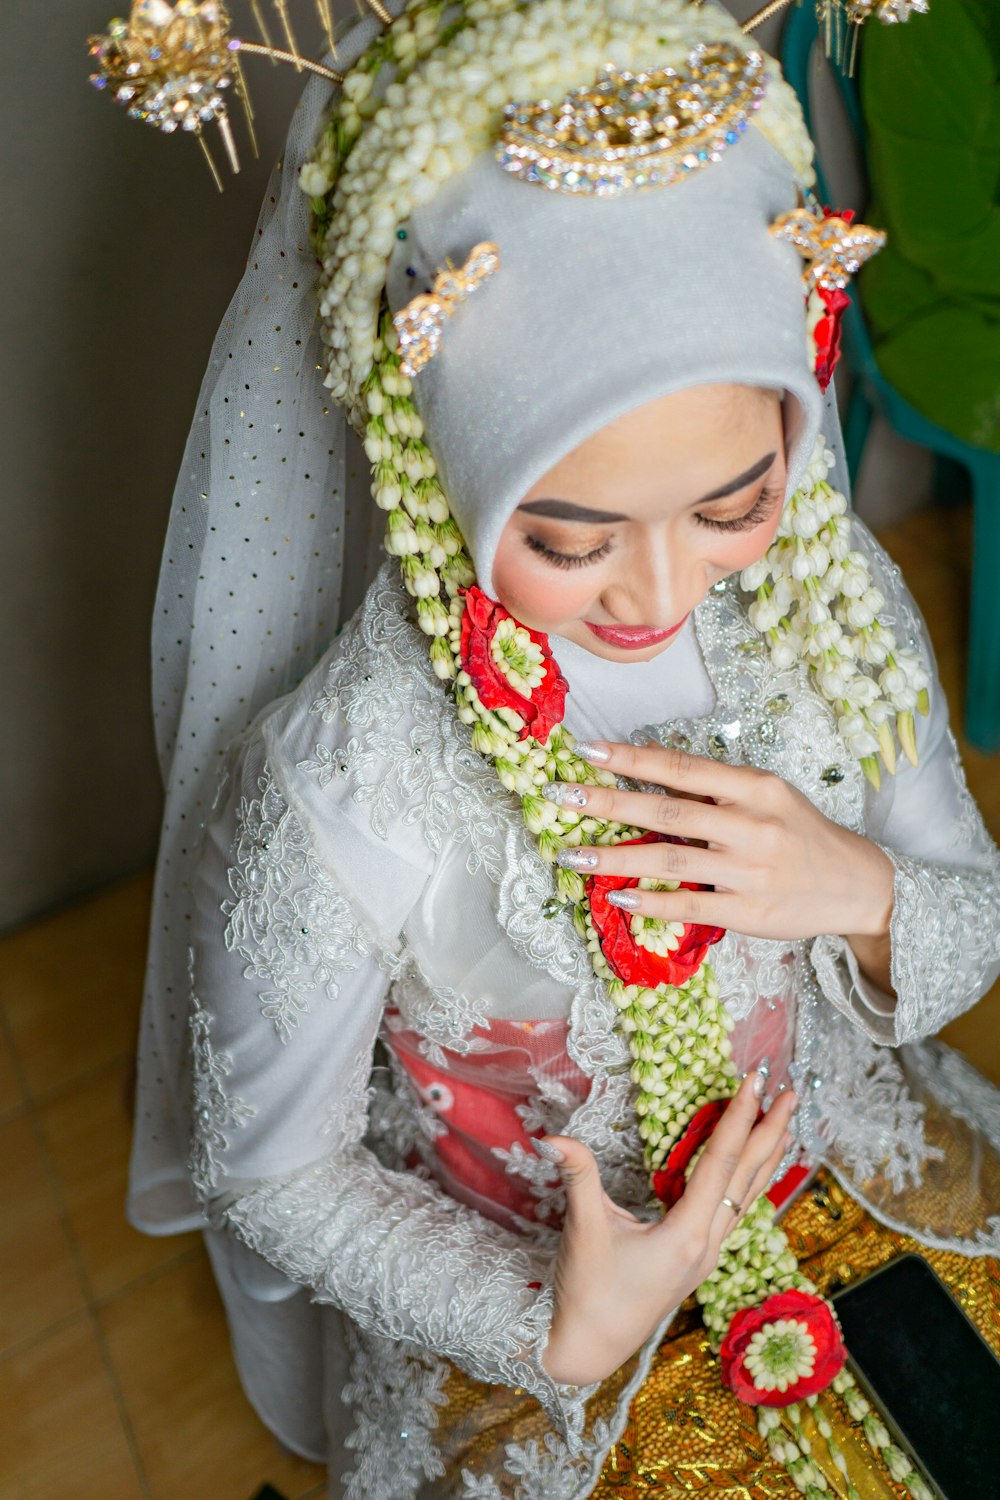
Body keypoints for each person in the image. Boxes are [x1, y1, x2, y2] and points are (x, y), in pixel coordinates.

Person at [125, 1, 1000, 1495]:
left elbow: (964, 912)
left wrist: (858, 888)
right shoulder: (352, 779)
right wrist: (551, 1317)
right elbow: (271, 1171)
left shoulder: (827, 612)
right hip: (533, 1278)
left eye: (734, 503)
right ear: (443, 463)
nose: (661, 597)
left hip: (836, 1165)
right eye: (571, 537)